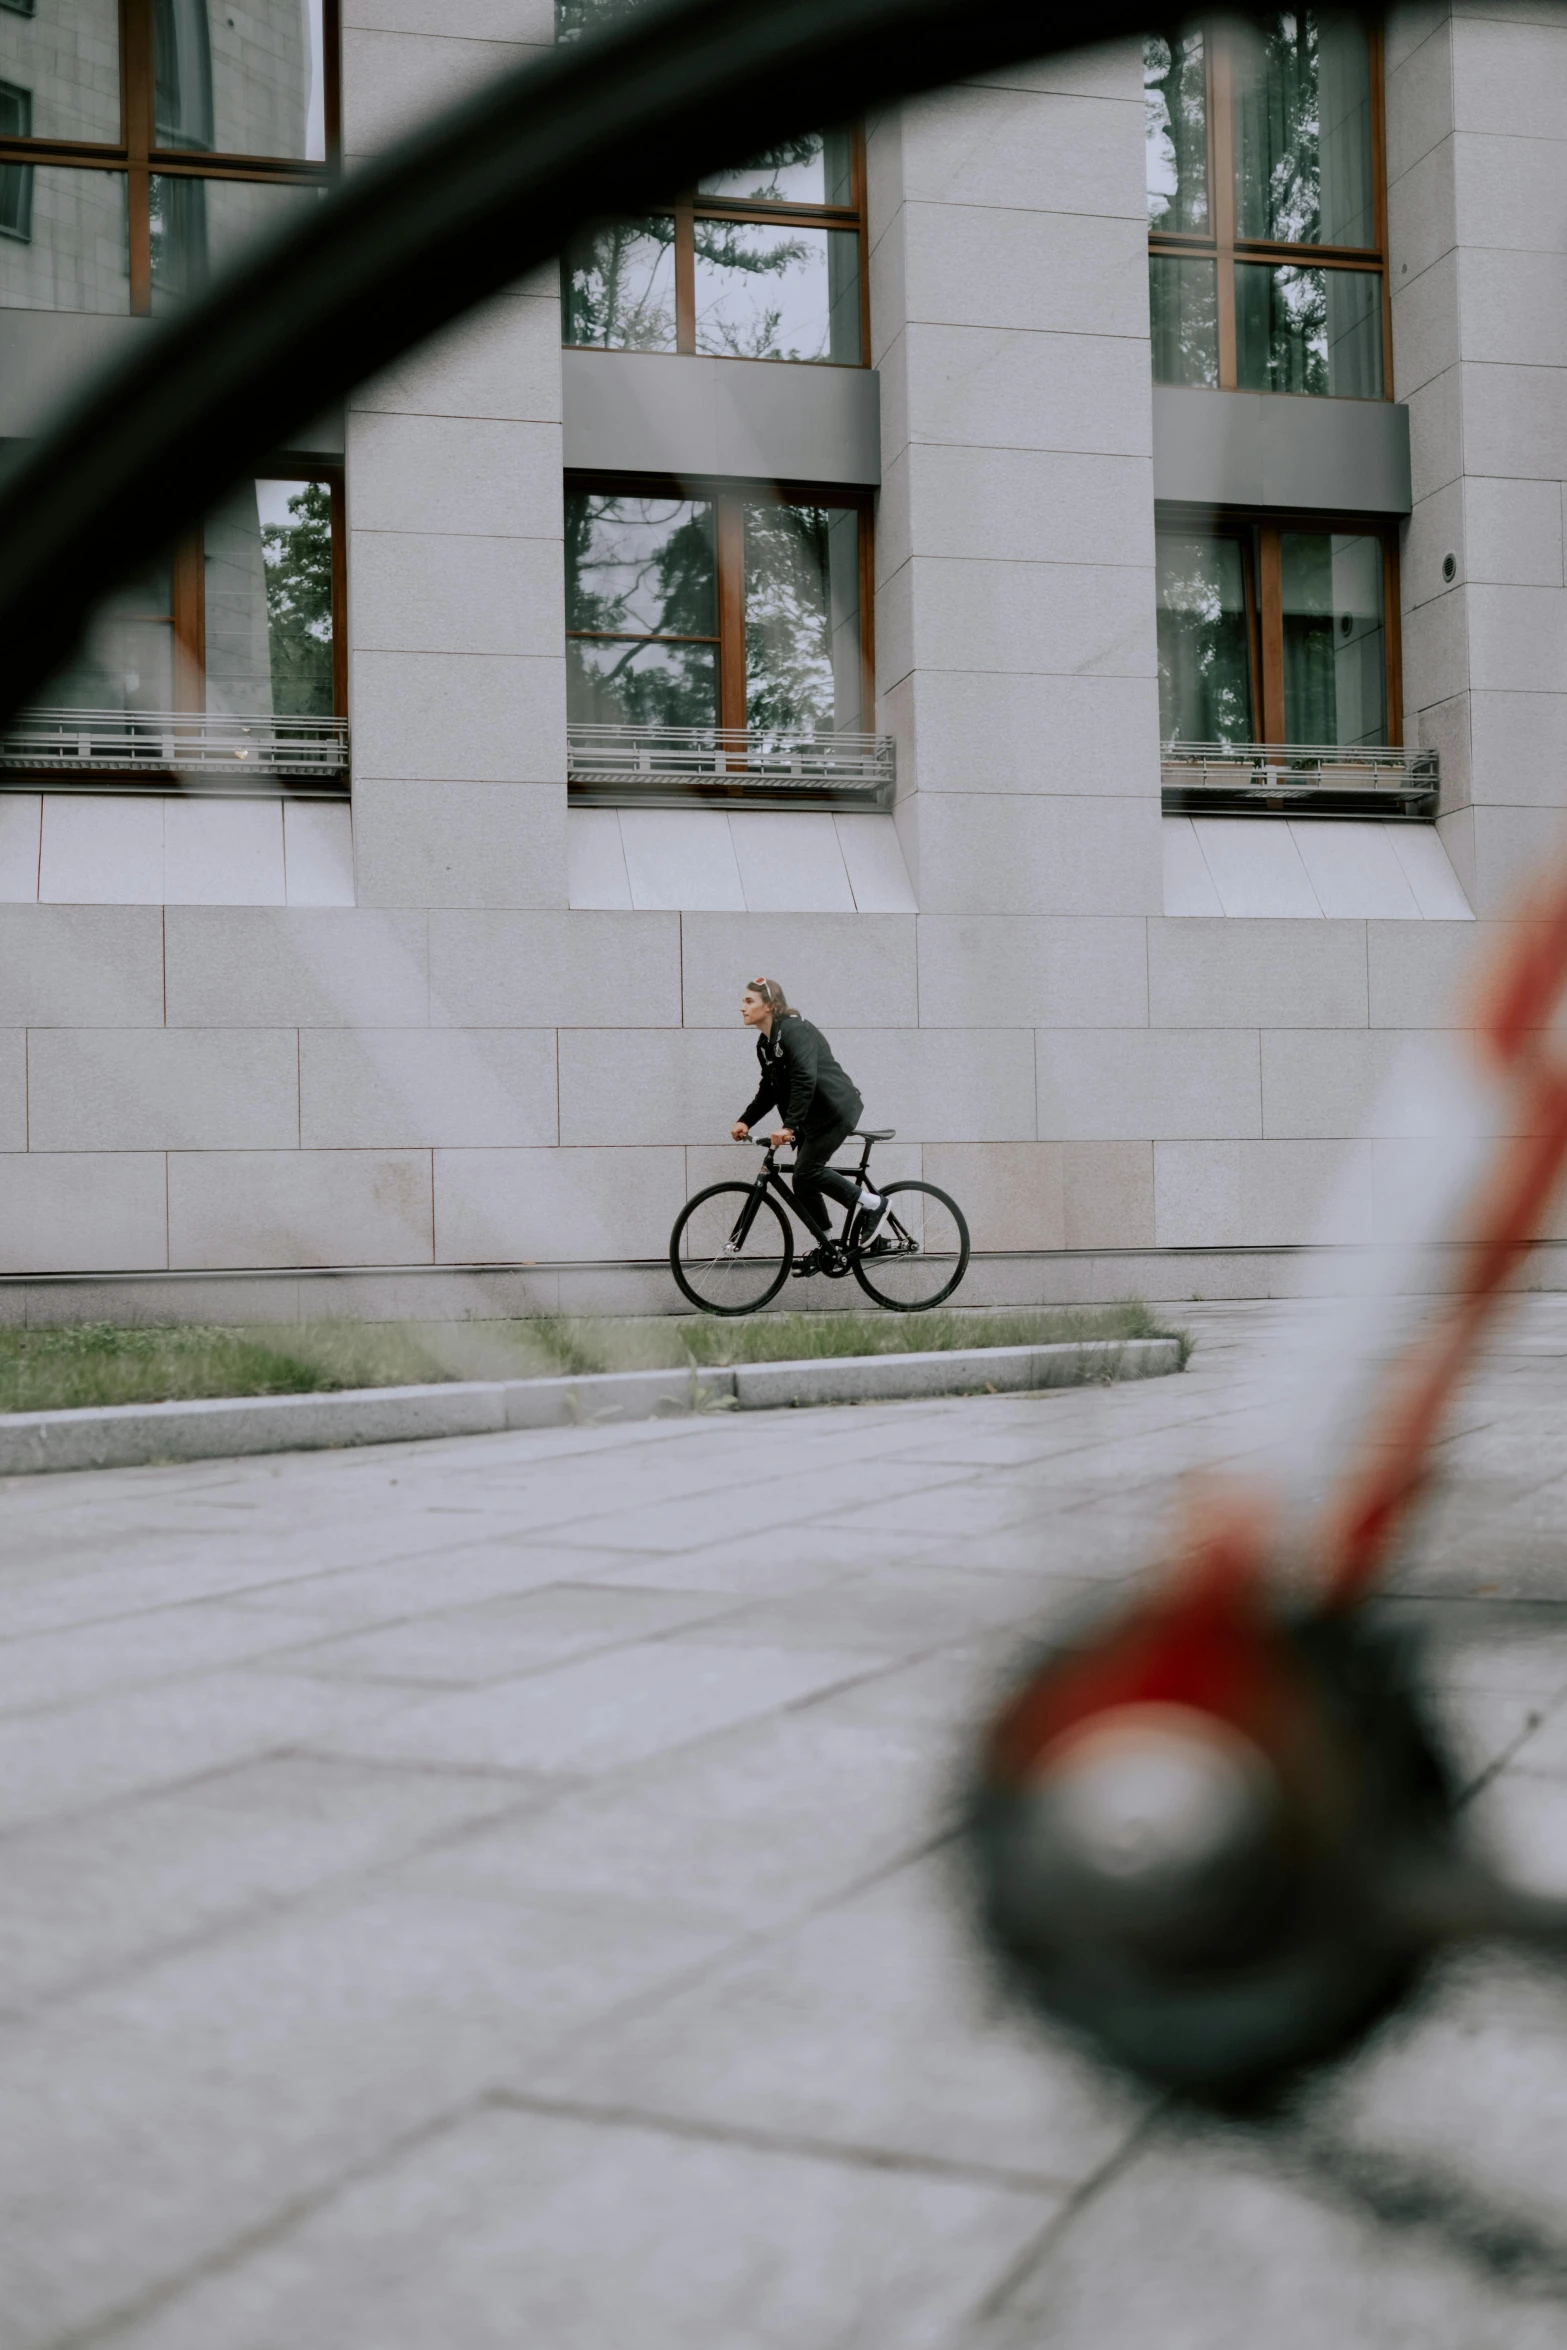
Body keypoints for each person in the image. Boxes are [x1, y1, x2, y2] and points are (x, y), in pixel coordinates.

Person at [730, 976, 886, 1277]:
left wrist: (789, 1125)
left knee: (807, 1170)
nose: (742, 1007)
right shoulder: (765, 1044)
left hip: (837, 1109)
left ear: (770, 1005)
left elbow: (805, 1079)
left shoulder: (795, 1031)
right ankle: (828, 1247)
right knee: (802, 1181)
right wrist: (746, 1119)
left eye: (749, 1001)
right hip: (813, 1117)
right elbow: (769, 1089)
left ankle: (873, 1204)